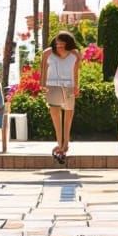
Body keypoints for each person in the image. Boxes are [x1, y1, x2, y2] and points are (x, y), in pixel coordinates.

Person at [40, 31, 81, 164]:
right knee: (56, 118)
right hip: (52, 86)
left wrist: (76, 86)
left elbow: (76, 72)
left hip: (69, 86)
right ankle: (60, 145)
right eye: (57, 44)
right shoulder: (47, 53)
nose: (59, 47)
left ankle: (65, 144)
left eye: (62, 45)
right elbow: (43, 70)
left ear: (68, 44)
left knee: (68, 117)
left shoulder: (75, 54)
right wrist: (42, 85)